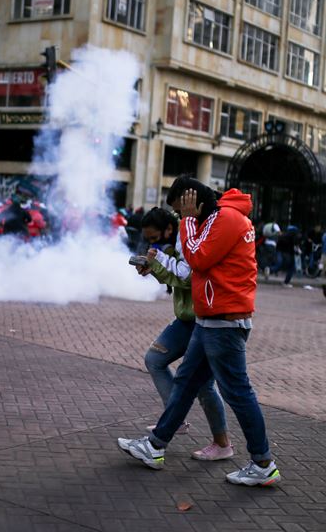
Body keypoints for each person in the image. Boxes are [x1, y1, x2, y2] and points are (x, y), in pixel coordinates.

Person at [118, 177, 280, 487]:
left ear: (193, 199)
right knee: (186, 382)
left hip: (224, 321)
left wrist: (189, 221)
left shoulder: (228, 219)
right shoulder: (219, 218)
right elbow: (195, 266)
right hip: (210, 319)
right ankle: (154, 446)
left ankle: (262, 462)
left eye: (182, 209)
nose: (180, 216)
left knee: (237, 392)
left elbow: (197, 259)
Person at [135, 206, 232, 461]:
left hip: (204, 320)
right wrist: (153, 268)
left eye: (155, 237)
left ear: (168, 229)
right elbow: (174, 280)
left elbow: (187, 278)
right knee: (154, 360)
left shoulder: (191, 240)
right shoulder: (173, 245)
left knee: (204, 385)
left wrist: (159, 265)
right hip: (186, 319)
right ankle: (174, 421)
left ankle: (222, 443)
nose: (152, 243)